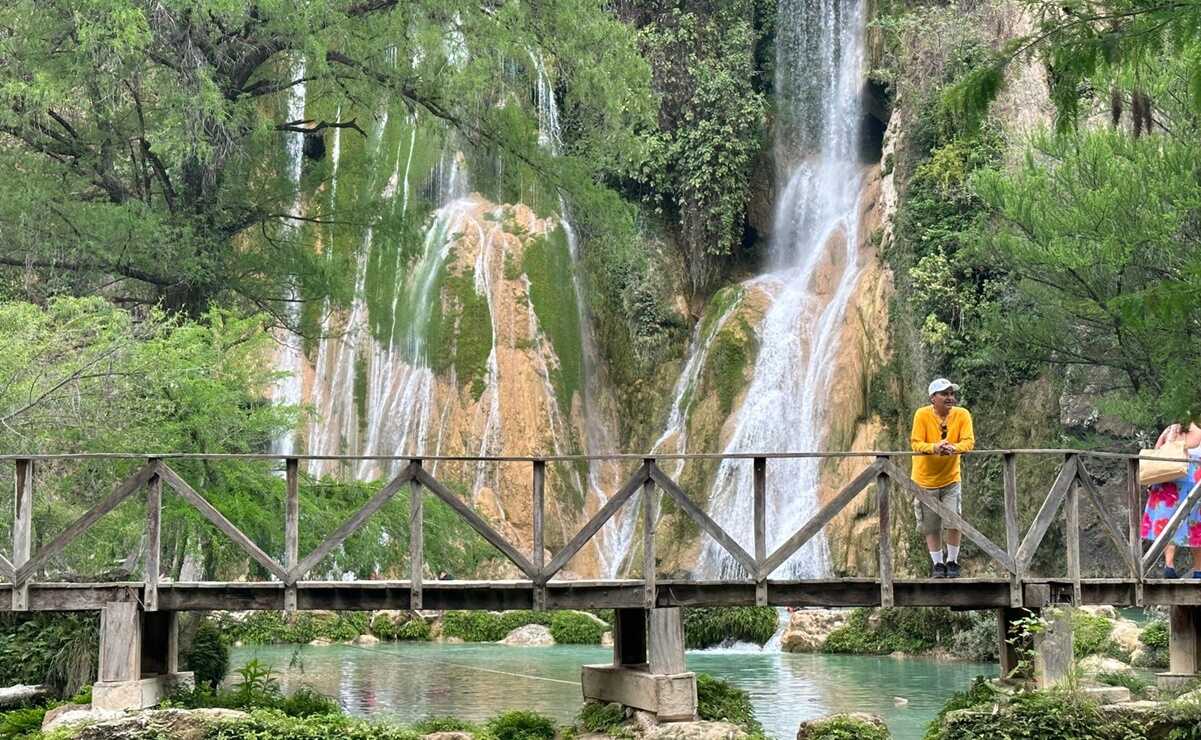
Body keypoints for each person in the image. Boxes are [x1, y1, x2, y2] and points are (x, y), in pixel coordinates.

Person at [910, 378, 975, 578]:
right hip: (924, 479)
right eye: (944, 394)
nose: (950, 398)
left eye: (951, 394)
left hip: (950, 479)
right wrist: (934, 448)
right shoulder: (922, 415)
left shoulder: (962, 414)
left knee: (953, 519)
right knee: (931, 525)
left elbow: (969, 441)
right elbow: (916, 443)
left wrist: (954, 448)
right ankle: (938, 564)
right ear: (933, 398)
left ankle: (952, 561)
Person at [1140, 422, 1201, 578]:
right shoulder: (1197, 432)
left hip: (1168, 477)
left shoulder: (1172, 428)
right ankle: (1198, 570)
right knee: (1195, 524)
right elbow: (1194, 443)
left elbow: (1157, 450)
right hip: (1192, 479)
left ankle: (1169, 565)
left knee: (1168, 523)